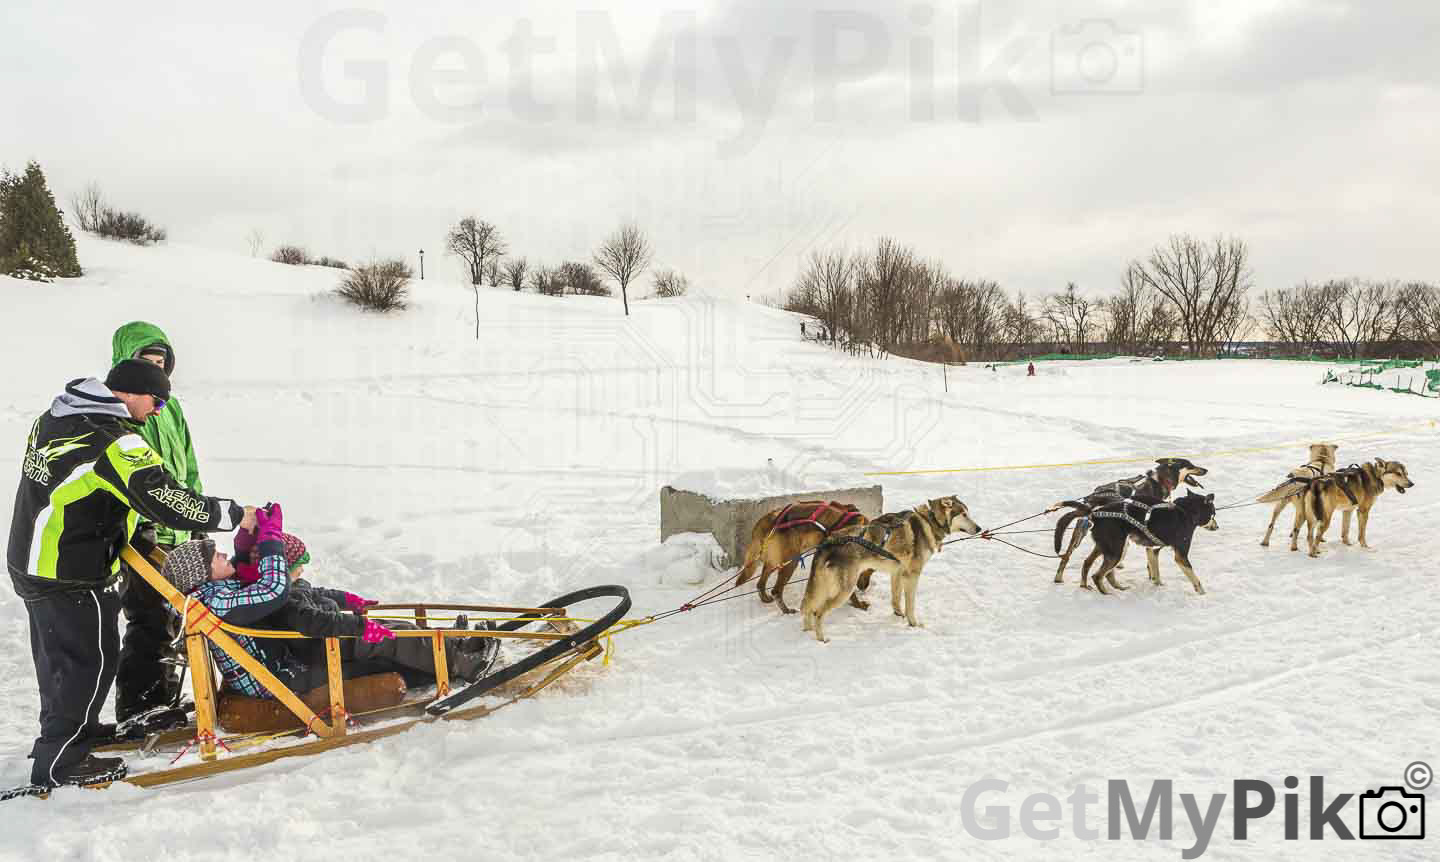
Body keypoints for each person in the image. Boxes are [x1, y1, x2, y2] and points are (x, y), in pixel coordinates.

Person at [6, 360, 253, 788]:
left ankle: (69, 735)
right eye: (157, 402)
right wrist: (233, 515)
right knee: (89, 661)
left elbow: (84, 487)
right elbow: (166, 499)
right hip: (70, 570)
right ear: (131, 393)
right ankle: (62, 762)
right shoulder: (114, 442)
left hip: (34, 558)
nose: (157, 411)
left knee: (58, 659)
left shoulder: (57, 415)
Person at [160, 505, 497, 700]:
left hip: (286, 662)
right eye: (213, 556)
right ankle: (459, 661)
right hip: (279, 678)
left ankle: (450, 651)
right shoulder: (219, 601)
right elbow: (274, 589)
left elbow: (245, 569)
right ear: (201, 576)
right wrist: (272, 540)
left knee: (385, 647)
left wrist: (250, 532)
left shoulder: (216, 593)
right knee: (380, 651)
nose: (222, 555)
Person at [110, 322, 203, 723]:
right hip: (143, 534)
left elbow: (188, 467)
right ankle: (138, 706)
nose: (154, 368)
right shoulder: (121, 410)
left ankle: (164, 700)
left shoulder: (171, 408)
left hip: (178, 531)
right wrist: (139, 528)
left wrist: (196, 519)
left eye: (160, 362)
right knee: (148, 618)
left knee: (177, 620)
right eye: (145, 361)